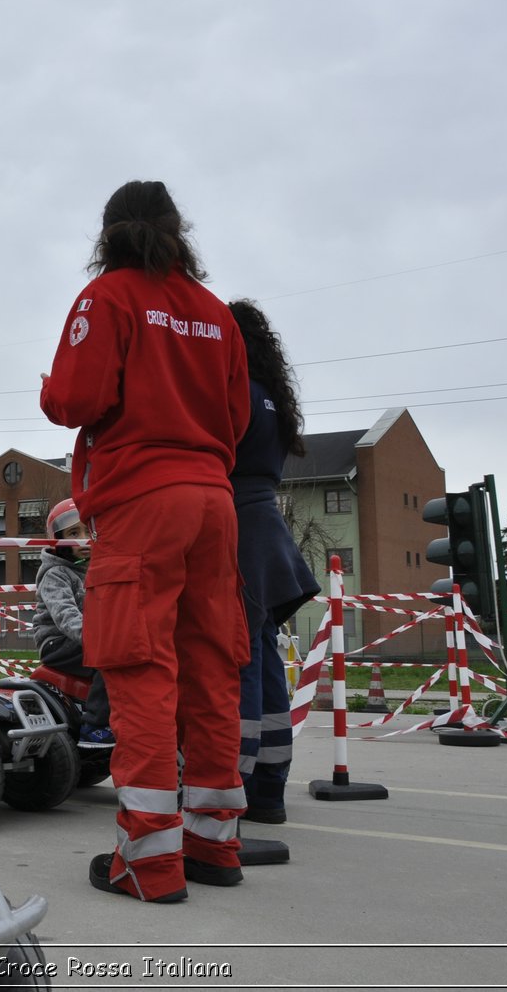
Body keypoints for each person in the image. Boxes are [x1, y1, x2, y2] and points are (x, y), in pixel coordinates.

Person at [39, 180, 251, 903]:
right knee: (212, 669)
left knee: (141, 671)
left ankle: (148, 862)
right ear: (175, 230)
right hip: (214, 501)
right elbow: (237, 417)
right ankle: (214, 844)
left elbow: (75, 400)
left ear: (109, 235)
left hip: (141, 500)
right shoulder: (215, 312)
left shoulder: (109, 299)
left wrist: (50, 389)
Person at [227, 299, 320, 836]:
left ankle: (230, 784)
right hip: (268, 527)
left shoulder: (233, 392)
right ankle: (269, 786)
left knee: (237, 657)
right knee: (261, 653)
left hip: (237, 525)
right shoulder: (273, 400)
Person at [31, 498, 114, 746]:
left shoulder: (94, 570)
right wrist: (97, 639)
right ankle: (95, 726)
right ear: (58, 539)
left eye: (88, 531)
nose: (83, 538)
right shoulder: (55, 574)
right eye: (74, 533)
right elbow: (65, 616)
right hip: (57, 642)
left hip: (84, 639)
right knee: (108, 659)